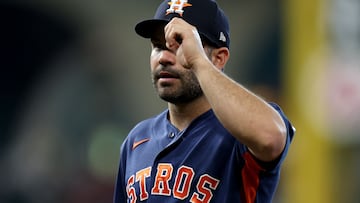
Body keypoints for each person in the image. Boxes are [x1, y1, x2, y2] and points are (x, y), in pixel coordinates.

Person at [113, 0, 295, 202]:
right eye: (158, 46)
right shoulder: (137, 139)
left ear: (219, 58)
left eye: (179, 44)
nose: (164, 57)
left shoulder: (238, 133)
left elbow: (271, 137)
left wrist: (198, 61)